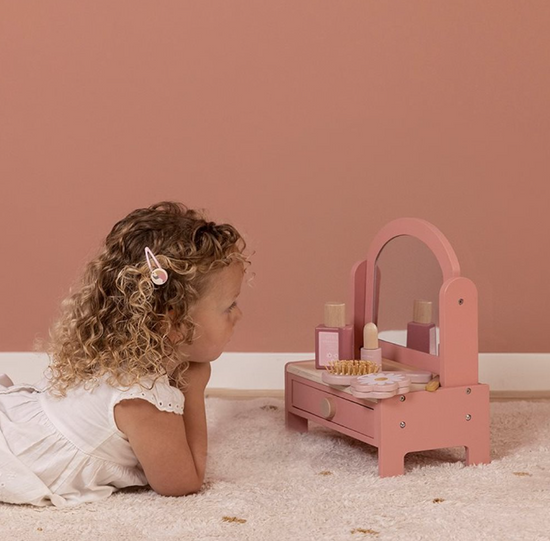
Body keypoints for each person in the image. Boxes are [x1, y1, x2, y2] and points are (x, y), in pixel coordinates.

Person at [0, 201, 247, 507]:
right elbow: (182, 482)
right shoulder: (142, 399)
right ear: (172, 323)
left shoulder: (120, 353)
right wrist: (194, 389)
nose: (238, 315)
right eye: (228, 307)